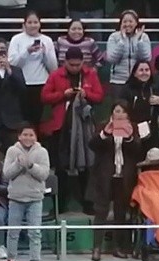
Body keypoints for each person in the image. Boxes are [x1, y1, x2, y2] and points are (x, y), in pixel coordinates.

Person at [41, 45, 104, 213]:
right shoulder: (56, 75)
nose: (75, 68)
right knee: (61, 168)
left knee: (87, 167)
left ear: (83, 62)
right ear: (65, 62)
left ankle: (87, 202)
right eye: (72, 65)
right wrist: (63, 94)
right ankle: (59, 205)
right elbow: (45, 96)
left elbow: (99, 96)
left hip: (84, 127)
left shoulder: (90, 74)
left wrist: (87, 95)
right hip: (61, 127)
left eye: (78, 64)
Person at [87, 101, 142, 261]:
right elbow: (93, 145)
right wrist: (105, 133)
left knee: (120, 213)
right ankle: (96, 248)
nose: (120, 114)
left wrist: (130, 137)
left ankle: (118, 248)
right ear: (112, 113)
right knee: (101, 212)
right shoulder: (103, 126)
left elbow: (138, 150)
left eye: (123, 112)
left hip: (124, 178)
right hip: (104, 177)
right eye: (117, 111)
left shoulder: (134, 127)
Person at [3, 123, 50, 261]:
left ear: (36, 137)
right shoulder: (12, 151)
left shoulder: (42, 152)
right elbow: (6, 174)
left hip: (35, 199)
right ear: (19, 136)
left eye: (31, 135)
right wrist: (18, 164)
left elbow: (43, 174)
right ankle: (11, 259)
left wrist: (30, 166)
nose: (28, 137)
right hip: (16, 198)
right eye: (25, 134)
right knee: (13, 231)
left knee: (35, 232)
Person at [8, 12, 57, 129]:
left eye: (35, 22)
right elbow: (12, 63)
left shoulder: (47, 40)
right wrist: (27, 52)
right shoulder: (16, 39)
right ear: (24, 24)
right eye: (29, 22)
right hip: (20, 84)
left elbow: (53, 67)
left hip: (40, 84)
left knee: (38, 119)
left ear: (40, 24)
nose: (33, 25)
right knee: (23, 118)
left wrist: (45, 53)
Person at [118, 60, 159, 154]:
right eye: (141, 70)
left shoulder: (154, 88)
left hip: (151, 134)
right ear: (134, 73)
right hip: (132, 133)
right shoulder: (126, 90)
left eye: (147, 70)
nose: (144, 73)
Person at [105, 10, 152, 91]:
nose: (127, 24)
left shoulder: (143, 37)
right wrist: (121, 42)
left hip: (138, 80)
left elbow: (146, 58)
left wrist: (138, 41)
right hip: (118, 81)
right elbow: (112, 59)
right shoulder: (114, 37)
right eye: (125, 21)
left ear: (136, 23)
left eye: (130, 21)